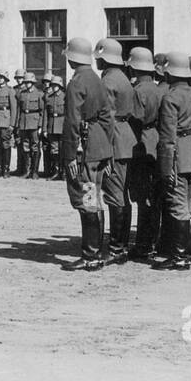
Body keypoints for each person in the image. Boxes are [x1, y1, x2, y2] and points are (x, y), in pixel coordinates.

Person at [61, 37, 115, 271]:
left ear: (72, 57)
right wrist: (108, 150)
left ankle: (91, 255)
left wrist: (70, 154)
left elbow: (72, 121)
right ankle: (96, 253)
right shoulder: (96, 79)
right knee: (95, 198)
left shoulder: (76, 82)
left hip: (84, 148)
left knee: (87, 200)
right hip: (99, 144)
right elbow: (108, 118)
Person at [154, 53, 191, 271]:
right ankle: (185, 253)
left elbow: (167, 135)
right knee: (189, 205)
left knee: (177, 206)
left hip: (176, 155)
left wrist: (166, 167)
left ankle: (179, 257)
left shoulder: (170, 97)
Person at [96, 38, 134, 261]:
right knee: (122, 195)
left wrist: (104, 148)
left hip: (114, 140)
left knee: (114, 195)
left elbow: (107, 117)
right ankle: (121, 246)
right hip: (125, 137)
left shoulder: (108, 81)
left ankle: (117, 249)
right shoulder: (123, 78)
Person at [125, 49, 162, 262]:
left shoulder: (138, 91)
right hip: (156, 143)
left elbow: (136, 121)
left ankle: (143, 244)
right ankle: (153, 241)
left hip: (142, 144)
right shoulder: (159, 89)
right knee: (155, 198)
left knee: (142, 198)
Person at [15, 70, 45, 179]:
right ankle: (26, 171)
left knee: (35, 146)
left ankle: (35, 171)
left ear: (33, 83)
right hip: (23, 122)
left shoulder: (39, 94)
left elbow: (42, 111)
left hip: (34, 122)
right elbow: (19, 110)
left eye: (29, 82)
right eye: (26, 82)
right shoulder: (21, 94)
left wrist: (41, 126)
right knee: (25, 146)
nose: (27, 84)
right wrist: (17, 124)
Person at [41, 74, 67, 181]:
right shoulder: (49, 98)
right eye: (53, 85)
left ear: (60, 86)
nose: (54, 87)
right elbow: (46, 114)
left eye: (56, 85)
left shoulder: (65, 97)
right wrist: (44, 129)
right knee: (54, 150)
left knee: (64, 150)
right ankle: (56, 171)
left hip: (62, 125)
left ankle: (64, 172)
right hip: (52, 126)